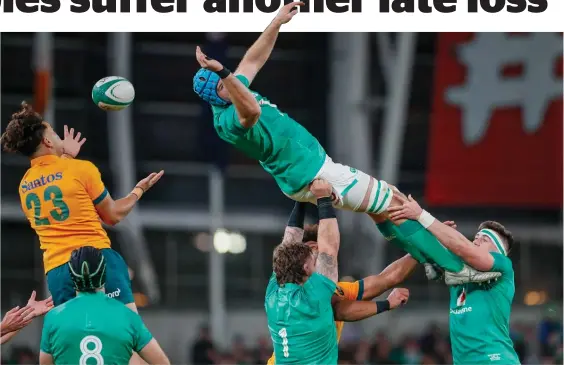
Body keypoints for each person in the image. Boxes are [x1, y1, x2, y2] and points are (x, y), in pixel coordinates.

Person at [192, 2, 499, 286]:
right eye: (223, 86)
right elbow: (253, 110)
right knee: (396, 202)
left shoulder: (230, 90)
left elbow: (253, 60)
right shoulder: (230, 119)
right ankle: (457, 270)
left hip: (305, 172)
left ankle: (427, 259)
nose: (231, 85)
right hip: (315, 173)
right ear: (215, 97)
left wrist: (276, 23)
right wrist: (223, 73)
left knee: (381, 211)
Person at [0, 102, 163, 310]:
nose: (60, 138)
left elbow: (56, 184)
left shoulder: (25, 186)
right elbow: (112, 215)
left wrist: (66, 156)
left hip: (58, 272)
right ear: (47, 141)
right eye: (56, 135)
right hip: (96, 260)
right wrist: (138, 191)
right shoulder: (81, 169)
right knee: (127, 332)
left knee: (80, 337)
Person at [266, 201, 418, 365]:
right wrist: (323, 199)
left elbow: (388, 278)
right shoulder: (317, 295)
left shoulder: (275, 290)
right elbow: (340, 310)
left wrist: (421, 250)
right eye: (315, 253)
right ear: (304, 265)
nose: (321, 257)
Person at [388, 195, 520, 365]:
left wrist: (421, 215)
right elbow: (426, 245)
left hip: (496, 359)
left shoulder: (503, 264)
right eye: (477, 236)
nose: (477, 240)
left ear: (498, 250)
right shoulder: (458, 269)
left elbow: (462, 248)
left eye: (485, 239)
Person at [39, 246, 170, 365]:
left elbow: (45, 363)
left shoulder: (53, 318)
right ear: (104, 273)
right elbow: (162, 362)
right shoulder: (127, 316)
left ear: (72, 277)